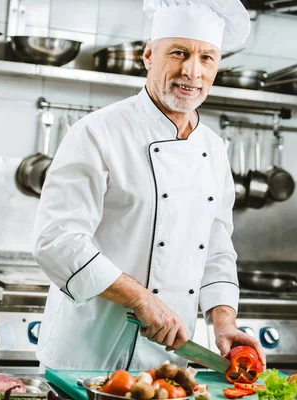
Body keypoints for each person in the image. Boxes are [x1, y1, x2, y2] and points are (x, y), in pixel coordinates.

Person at [31, 0, 265, 371]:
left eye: (207, 58)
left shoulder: (214, 149)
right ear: (149, 56)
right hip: (88, 357)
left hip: (168, 365)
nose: (192, 72)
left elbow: (216, 248)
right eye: (179, 53)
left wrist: (223, 321)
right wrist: (141, 298)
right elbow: (57, 240)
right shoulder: (98, 132)